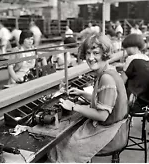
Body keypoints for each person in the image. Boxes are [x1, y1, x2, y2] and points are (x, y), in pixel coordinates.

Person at [48, 34, 128, 162]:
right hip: (117, 127)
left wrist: (74, 106)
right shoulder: (108, 71)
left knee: (65, 145)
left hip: (112, 133)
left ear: (105, 54)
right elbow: (105, 100)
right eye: (88, 53)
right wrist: (82, 93)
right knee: (66, 138)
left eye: (96, 53)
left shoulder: (106, 78)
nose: (90, 58)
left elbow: (102, 115)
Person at [121, 34, 149, 113]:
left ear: (134, 46)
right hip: (145, 101)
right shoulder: (147, 59)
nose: (126, 51)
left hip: (133, 102)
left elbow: (121, 82)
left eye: (127, 48)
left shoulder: (131, 58)